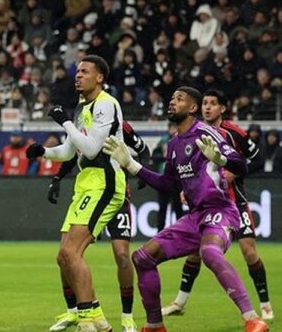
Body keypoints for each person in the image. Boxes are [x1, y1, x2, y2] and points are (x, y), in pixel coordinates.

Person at [102, 86, 269, 332]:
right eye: (171, 99)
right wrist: (131, 164)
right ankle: (154, 325)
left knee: (209, 252)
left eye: (179, 99)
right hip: (195, 216)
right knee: (143, 257)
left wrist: (222, 160)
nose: (172, 102)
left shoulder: (206, 133)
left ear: (192, 108)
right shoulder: (174, 144)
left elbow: (242, 166)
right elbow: (168, 184)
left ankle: (253, 319)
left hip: (221, 211)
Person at [26, 55, 126, 332]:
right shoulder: (83, 108)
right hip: (86, 181)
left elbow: (93, 149)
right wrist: (44, 153)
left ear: (100, 78)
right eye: (77, 71)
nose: (78, 75)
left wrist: (64, 123)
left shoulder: (106, 104)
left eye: (85, 71)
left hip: (104, 180)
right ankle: (97, 317)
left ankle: (85, 320)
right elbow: (71, 151)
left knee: (71, 252)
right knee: (63, 256)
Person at [161, 89, 274, 321]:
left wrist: (233, 171)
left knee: (249, 251)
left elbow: (258, 159)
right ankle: (179, 302)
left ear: (223, 108)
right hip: (207, 203)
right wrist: (187, 188)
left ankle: (265, 305)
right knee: (194, 253)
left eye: (213, 104)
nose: (207, 108)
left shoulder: (233, 132)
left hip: (234, 202)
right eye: (204, 103)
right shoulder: (196, 132)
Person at [46, 120, 151, 332]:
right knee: (65, 255)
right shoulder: (81, 122)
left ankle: (127, 317)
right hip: (90, 194)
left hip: (116, 197)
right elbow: (74, 154)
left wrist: (142, 172)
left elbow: (143, 149)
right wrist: (57, 178)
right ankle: (76, 312)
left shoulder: (118, 123)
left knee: (121, 255)